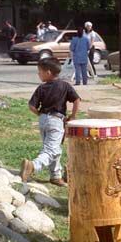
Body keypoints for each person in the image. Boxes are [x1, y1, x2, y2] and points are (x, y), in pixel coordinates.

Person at [20, 57, 80, 187]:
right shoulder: (65, 85)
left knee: (53, 147)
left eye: (39, 71)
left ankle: (55, 176)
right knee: (52, 150)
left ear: (48, 72)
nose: (38, 74)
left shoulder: (41, 88)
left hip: (43, 120)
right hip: (56, 120)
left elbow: (31, 106)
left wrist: (40, 114)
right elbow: (76, 100)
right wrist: (73, 116)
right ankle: (33, 166)